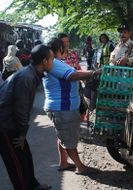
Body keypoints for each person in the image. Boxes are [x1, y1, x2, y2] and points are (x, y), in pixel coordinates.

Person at [0, 45, 54, 190]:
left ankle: (32, 184)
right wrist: (22, 133)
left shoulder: (31, 74)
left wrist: (22, 133)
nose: (53, 62)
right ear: (44, 61)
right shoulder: (27, 77)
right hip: (1, 121)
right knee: (15, 161)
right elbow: (21, 110)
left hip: (9, 118)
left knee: (24, 154)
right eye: (52, 59)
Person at [44, 38, 101, 174]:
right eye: (65, 45)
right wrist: (94, 73)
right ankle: (81, 167)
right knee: (69, 139)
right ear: (60, 48)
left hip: (61, 108)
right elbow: (72, 75)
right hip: (62, 108)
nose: (67, 48)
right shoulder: (54, 64)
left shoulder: (55, 63)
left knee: (63, 136)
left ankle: (64, 163)